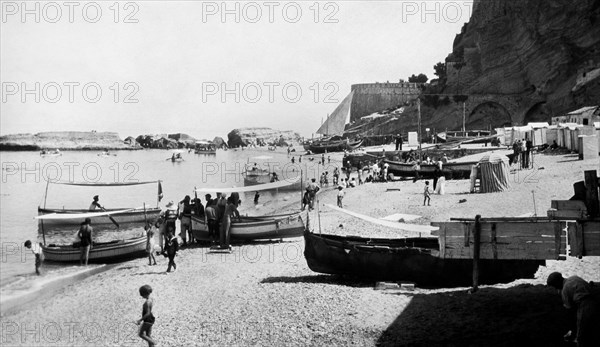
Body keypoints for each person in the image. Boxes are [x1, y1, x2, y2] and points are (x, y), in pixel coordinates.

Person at [547, 272, 600, 346]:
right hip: (595, 301)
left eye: (555, 286)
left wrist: (572, 329)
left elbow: (570, 312)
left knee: (581, 335)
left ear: (557, 283)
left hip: (584, 305)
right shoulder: (574, 278)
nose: (556, 288)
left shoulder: (565, 290)